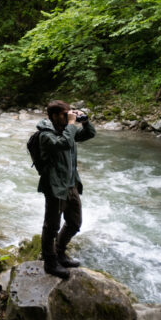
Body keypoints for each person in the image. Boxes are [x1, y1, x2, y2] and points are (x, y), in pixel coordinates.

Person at [35, 99, 97, 279]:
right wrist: (71, 124)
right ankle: (50, 262)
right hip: (55, 187)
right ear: (54, 116)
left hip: (71, 185)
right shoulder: (45, 136)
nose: (68, 116)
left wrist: (84, 121)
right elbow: (64, 143)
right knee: (51, 226)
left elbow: (89, 134)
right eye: (64, 114)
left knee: (74, 223)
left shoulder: (65, 131)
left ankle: (60, 252)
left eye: (69, 113)